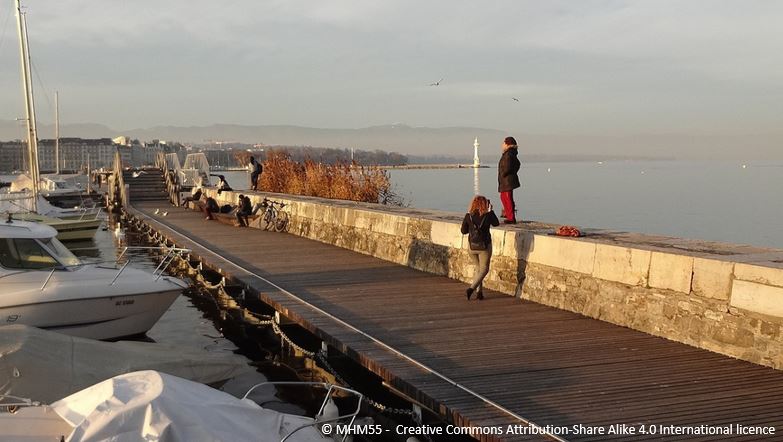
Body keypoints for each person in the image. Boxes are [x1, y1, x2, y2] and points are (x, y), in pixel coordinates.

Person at [460, 195, 500, 300]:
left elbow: (463, 231)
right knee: (484, 269)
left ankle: (479, 293)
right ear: (485, 204)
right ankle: (471, 289)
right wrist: (491, 211)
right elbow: (496, 224)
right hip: (484, 246)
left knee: (478, 268)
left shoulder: (468, 216)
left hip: (472, 247)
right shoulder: (487, 215)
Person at [497, 136, 521, 224]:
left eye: (503, 143)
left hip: (507, 180)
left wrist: (504, 173)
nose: (502, 145)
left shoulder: (509, 154)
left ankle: (511, 217)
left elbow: (509, 165)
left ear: (507, 144)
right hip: (506, 180)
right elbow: (518, 164)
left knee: (507, 197)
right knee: (504, 197)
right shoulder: (510, 153)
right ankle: (509, 215)